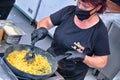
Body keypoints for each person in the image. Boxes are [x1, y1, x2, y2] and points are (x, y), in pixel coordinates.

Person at [31, 0, 110, 80]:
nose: (79, 7)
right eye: (79, 3)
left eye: (85, 6)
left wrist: (83, 57)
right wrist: (42, 29)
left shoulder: (99, 31)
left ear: (98, 7)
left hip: (70, 76)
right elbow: (47, 21)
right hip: (48, 62)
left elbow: (102, 61)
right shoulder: (69, 11)